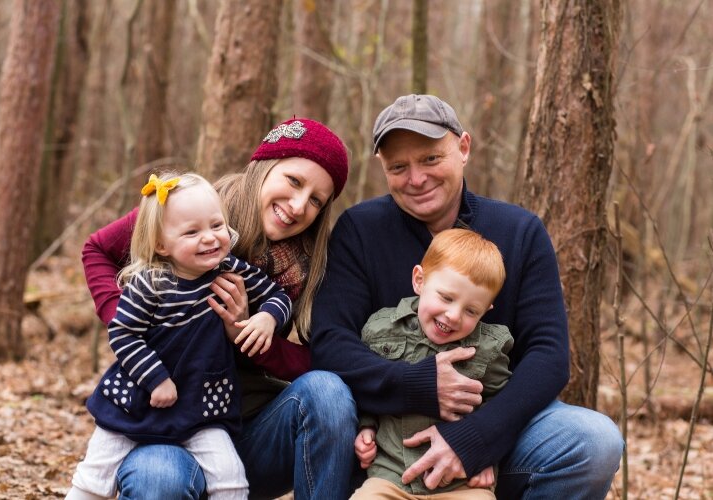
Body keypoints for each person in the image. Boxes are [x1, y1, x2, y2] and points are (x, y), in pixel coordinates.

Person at [310, 94, 624, 499]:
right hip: (384, 447)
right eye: (398, 167)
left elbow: (549, 357)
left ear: (463, 148)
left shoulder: (519, 231)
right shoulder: (360, 229)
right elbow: (331, 343)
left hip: (493, 436)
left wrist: (475, 439)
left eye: (430, 159)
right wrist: (416, 385)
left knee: (594, 441)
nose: (416, 178)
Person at [81, 118, 356, 499]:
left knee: (328, 390)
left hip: (246, 430)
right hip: (166, 426)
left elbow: (318, 359)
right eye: (293, 181)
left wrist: (247, 332)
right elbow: (97, 250)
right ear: (264, 165)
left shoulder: (311, 264)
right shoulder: (191, 209)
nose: (297, 206)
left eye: (315, 200)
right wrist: (131, 325)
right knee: (159, 478)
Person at [68, 172, 295, 500]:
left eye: (216, 226)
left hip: (203, 404)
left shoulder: (229, 269)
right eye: (192, 232)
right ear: (162, 243)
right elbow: (123, 332)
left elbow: (280, 297)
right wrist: (156, 378)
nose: (209, 238)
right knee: (93, 481)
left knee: (231, 481)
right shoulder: (149, 283)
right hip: (137, 399)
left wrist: (266, 318)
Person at [352, 228, 513, 500]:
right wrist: (365, 427)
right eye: (446, 298)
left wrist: (486, 454)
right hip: (390, 477)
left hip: (459, 485)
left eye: (471, 310)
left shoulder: (489, 349)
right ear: (419, 280)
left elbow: (501, 408)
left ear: (486, 311)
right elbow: (368, 389)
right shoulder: (382, 329)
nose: (453, 315)